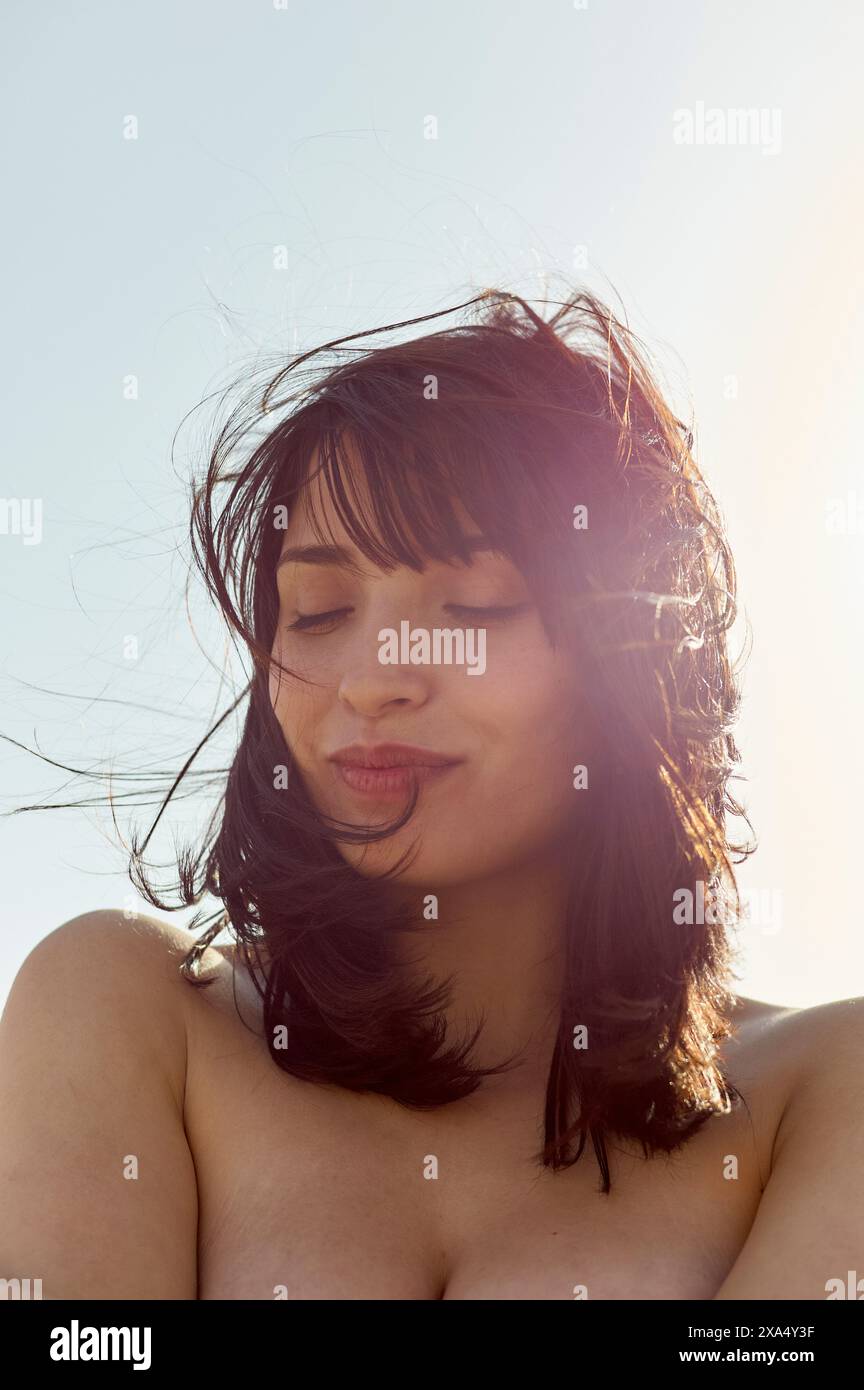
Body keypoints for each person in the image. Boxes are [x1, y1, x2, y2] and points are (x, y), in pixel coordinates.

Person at [1, 287, 861, 1301]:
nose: (375, 676)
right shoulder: (134, 1011)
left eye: (474, 604)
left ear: (631, 655)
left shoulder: (822, 1090)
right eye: (317, 611)